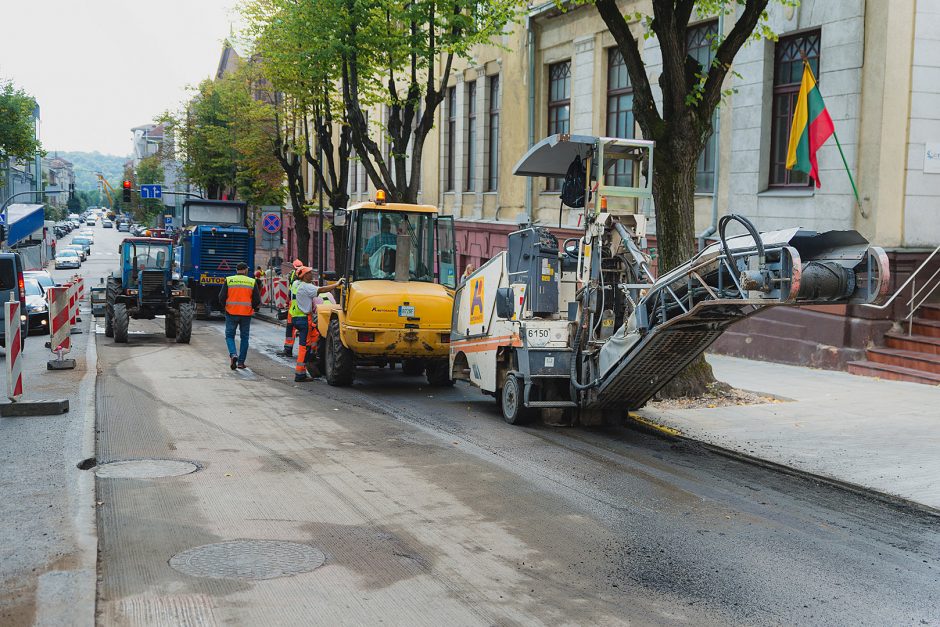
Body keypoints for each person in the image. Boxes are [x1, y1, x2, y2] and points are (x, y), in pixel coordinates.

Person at [290, 266, 342, 382]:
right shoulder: (306, 286)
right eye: (309, 273)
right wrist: (337, 284)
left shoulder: (301, 285)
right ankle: (300, 374)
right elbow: (322, 290)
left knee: (313, 338)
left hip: (300, 319)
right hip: (304, 320)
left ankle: (310, 361)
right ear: (304, 276)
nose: (311, 274)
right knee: (304, 347)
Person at [219, 262, 261, 370]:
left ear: (236, 270)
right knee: (244, 338)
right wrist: (253, 307)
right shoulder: (252, 281)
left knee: (229, 336)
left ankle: (233, 354)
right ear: (246, 270)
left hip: (231, 312)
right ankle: (241, 363)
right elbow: (257, 300)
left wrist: (226, 306)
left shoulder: (229, 280)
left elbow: (221, 297)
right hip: (246, 314)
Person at [283, 259, 304, 357]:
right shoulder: (305, 274)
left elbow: (290, 291)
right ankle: (305, 352)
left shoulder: (292, 275)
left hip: (294, 306)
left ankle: (288, 349)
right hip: (303, 306)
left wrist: (287, 302)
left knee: (291, 327)